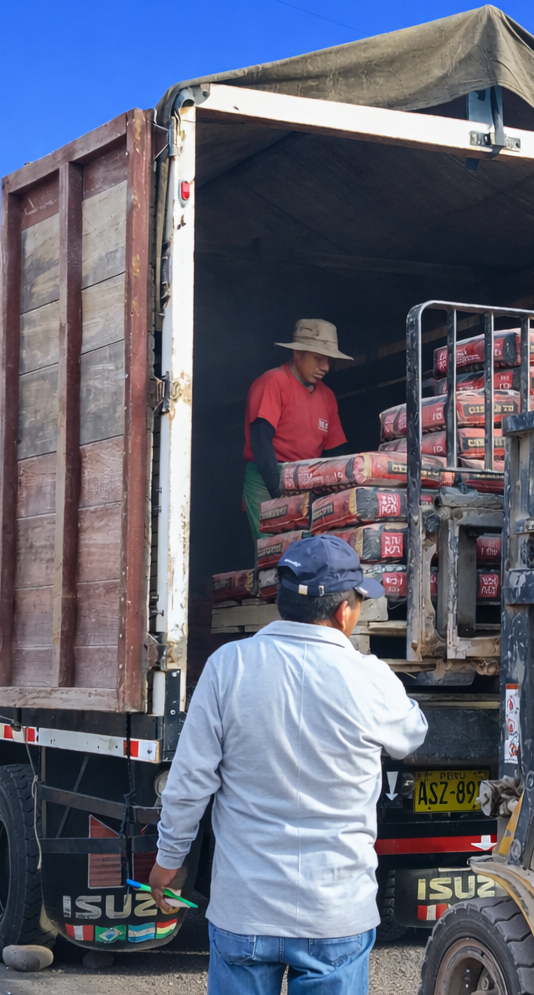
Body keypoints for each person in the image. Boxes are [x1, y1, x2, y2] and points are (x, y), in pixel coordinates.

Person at [149, 534, 428, 995]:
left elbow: (188, 782)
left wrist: (168, 861)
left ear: (280, 603)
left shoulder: (227, 667)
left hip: (245, 911)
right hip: (334, 917)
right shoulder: (370, 677)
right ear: (344, 612)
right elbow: (411, 735)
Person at [244, 319, 352, 545]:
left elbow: (336, 452)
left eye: (329, 360)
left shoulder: (327, 396)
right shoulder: (274, 381)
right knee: (272, 550)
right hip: (267, 477)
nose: (325, 366)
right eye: (318, 358)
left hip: (307, 481)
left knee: (306, 550)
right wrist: (280, 493)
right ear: (297, 354)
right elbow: (260, 440)